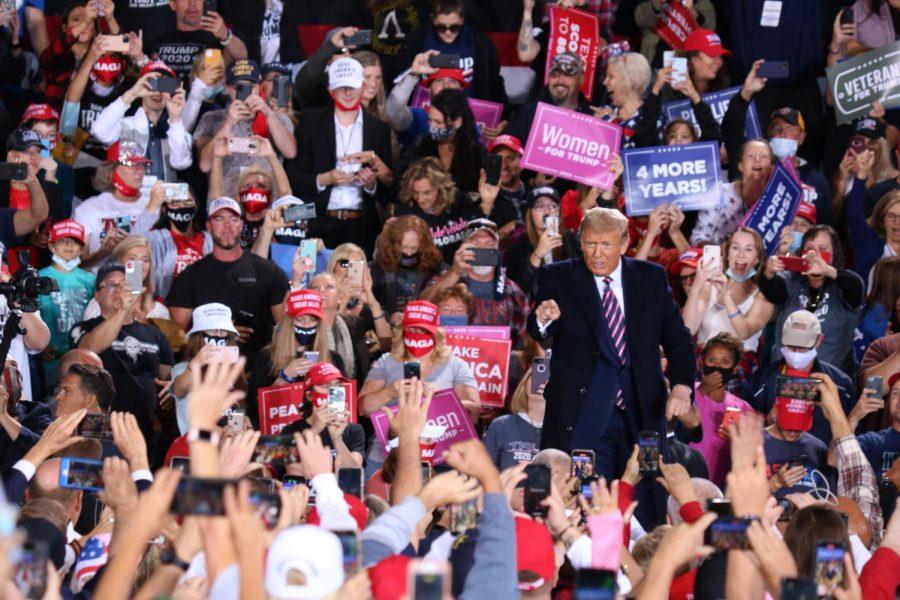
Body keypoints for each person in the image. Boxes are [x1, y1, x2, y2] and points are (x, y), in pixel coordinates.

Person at [527, 207, 696, 483]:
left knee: (643, 500)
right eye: (590, 244)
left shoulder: (651, 278)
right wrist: (543, 319)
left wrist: (681, 386)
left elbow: (679, 340)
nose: (597, 253)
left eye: (606, 244)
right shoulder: (557, 277)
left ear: (624, 244)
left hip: (642, 417)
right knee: (584, 498)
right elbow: (538, 329)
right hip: (582, 417)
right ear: (580, 242)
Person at [283, 56, 393, 255]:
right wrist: (323, 179)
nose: (348, 93)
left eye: (352, 87)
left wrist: (370, 184)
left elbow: (390, 189)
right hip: (314, 224)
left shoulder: (380, 129)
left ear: (362, 86)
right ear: (330, 90)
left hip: (361, 228)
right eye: (341, 88)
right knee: (308, 277)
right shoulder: (309, 122)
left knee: (356, 283)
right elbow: (292, 176)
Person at [359, 300, 479, 472]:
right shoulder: (386, 362)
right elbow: (363, 409)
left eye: (424, 330)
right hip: (388, 456)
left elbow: (474, 412)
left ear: (437, 333)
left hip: (441, 456)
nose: (417, 334)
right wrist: (389, 392)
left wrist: (440, 397)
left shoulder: (455, 365)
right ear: (402, 331)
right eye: (412, 329)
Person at [166, 197, 289, 359]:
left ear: (241, 225)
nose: (227, 225)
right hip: (208, 371)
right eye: (219, 219)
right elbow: (176, 341)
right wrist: (220, 334)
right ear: (208, 226)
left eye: (233, 219)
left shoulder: (268, 271)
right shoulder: (190, 277)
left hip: (259, 369)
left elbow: (286, 331)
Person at [69, 262, 173, 441]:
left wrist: (172, 386)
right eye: (111, 285)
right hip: (98, 427)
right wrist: (123, 310)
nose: (119, 290)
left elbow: (166, 377)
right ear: (97, 296)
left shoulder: (155, 334)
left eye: (125, 285)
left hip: (143, 428)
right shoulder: (85, 328)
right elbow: (88, 350)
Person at [761, 225, 865, 376]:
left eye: (822, 249)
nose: (814, 255)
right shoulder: (791, 281)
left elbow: (855, 288)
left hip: (830, 382)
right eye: (809, 248)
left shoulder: (846, 283)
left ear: (834, 254)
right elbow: (772, 290)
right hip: (785, 378)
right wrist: (768, 273)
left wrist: (827, 270)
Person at [742, 310, 854, 446]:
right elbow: (745, 424)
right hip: (774, 457)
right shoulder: (762, 379)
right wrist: (766, 423)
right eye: (791, 347)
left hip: (820, 460)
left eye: (802, 348)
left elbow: (852, 432)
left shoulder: (840, 383)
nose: (795, 353)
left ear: (819, 340)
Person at [194, 59, 297, 191]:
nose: (246, 93)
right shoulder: (211, 118)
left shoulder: (278, 118)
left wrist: (268, 113)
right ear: (227, 89)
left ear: (259, 86)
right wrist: (228, 123)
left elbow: (290, 152)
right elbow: (204, 165)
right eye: (238, 87)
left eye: (251, 86)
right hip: (226, 206)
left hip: (267, 204)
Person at [420, 218, 528, 342]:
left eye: (489, 244)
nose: (482, 249)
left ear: (498, 250)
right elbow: (421, 310)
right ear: (463, 247)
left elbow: (521, 343)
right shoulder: (446, 278)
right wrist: (455, 272)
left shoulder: (513, 292)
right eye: (475, 244)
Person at [90, 60, 191, 183]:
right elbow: (98, 131)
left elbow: (181, 164)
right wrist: (132, 94)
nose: (157, 92)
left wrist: (175, 120)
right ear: (140, 85)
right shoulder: (126, 125)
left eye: (164, 85)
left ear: (172, 91)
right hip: (127, 199)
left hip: (164, 199)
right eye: (152, 84)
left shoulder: (177, 129)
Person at [247, 289, 337, 423]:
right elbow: (257, 408)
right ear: (289, 322)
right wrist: (285, 376)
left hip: (320, 435)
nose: (306, 325)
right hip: (281, 435)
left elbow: (340, 405)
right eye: (300, 319)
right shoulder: (267, 357)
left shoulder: (332, 359)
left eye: (313, 320)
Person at [73, 140, 165, 268]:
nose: (138, 170)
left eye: (141, 164)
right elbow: (78, 263)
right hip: (101, 282)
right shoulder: (89, 208)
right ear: (111, 169)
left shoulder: (155, 203)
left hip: (141, 282)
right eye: (130, 164)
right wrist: (103, 252)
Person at [682, 228, 773, 353]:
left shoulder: (764, 294)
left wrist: (726, 296)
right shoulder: (709, 287)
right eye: (735, 248)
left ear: (757, 258)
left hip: (741, 365)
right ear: (728, 254)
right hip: (703, 362)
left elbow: (744, 332)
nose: (741, 254)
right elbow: (688, 328)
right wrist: (697, 285)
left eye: (748, 249)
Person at [403, 0, 506, 105]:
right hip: (426, 111)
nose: (448, 33)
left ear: (462, 19)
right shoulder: (416, 42)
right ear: (433, 19)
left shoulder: (480, 43)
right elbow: (403, 81)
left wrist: (504, 116)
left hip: (470, 112)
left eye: (454, 27)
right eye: (441, 27)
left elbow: (494, 83)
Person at [690, 333, 757, 488]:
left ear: (735, 369)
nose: (717, 366)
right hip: (685, 482)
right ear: (702, 363)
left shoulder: (743, 408)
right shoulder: (686, 393)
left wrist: (738, 440)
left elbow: (752, 456)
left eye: (725, 362)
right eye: (712, 360)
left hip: (719, 488)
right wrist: (701, 391)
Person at [37, 220, 95, 389]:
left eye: (75, 242)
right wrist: (42, 346)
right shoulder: (39, 277)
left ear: (82, 248)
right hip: (50, 357)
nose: (69, 246)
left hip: (82, 355)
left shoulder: (90, 279)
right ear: (51, 245)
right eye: (63, 241)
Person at [170, 302, 241, 434]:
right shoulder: (183, 368)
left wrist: (238, 429)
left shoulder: (229, 370)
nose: (219, 335)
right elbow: (179, 390)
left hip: (225, 448)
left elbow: (235, 410)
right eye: (212, 330)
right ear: (199, 336)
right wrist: (196, 363)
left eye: (223, 330)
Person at [280, 361, 365, 469]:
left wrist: (337, 438)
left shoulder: (353, 430)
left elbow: (354, 478)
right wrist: (316, 429)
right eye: (326, 386)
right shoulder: (290, 431)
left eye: (338, 385)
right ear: (310, 395)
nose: (334, 391)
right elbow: (292, 471)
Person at [690, 139, 774, 245]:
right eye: (751, 156)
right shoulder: (718, 193)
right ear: (740, 166)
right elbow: (698, 238)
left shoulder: (776, 198)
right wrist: (721, 251)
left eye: (764, 156)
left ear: (771, 167)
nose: (757, 160)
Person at [394, 156, 476, 264]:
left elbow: (477, 234)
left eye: (426, 193)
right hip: (427, 273)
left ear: (440, 188)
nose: (420, 199)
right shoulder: (406, 213)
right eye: (416, 192)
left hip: (465, 267)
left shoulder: (460, 201)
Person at [504, 187, 580, 299]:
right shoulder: (517, 243)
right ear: (530, 213)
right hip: (534, 310)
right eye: (540, 206)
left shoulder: (570, 239)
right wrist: (538, 254)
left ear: (559, 212)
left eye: (553, 206)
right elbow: (517, 291)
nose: (547, 211)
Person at [405, 87, 484, 194]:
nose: (432, 126)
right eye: (430, 120)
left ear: (457, 122)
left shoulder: (476, 154)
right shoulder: (421, 146)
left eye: (438, 122)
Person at [385, 50, 469, 147]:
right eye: (439, 80)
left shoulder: (470, 126)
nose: (446, 86)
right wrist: (413, 74)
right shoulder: (419, 117)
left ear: (461, 90)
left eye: (452, 81)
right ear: (429, 89)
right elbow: (392, 113)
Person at [370, 215, 444, 323]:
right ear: (394, 244)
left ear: (422, 245)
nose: (409, 253)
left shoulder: (433, 265)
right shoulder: (376, 268)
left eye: (414, 248)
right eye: (404, 247)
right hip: (384, 329)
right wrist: (388, 316)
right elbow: (365, 305)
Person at [506, 52, 593, 145]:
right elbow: (505, 153)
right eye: (555, 74)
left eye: (567, 75)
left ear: (581, 79)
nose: (560, 80)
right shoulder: (529, 113)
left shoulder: (592, 119)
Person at [148, 0, 247, 81]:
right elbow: (146, 77)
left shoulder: (218, 41)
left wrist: (225, 34)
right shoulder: (156, 43)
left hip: (205, 103)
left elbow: (242, 58)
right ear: (173, 4)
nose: (192, 3)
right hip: (164, 101)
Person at [144, 186, 212, 301]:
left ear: (195, 206)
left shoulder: (209, 240)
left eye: (186, 201)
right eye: (175, 202)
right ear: (165, 209)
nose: (182, 206)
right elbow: (130, 247)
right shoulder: (154, 239)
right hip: (164, 309)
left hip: (203, 306)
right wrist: (152, 205)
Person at [483, 368, 543, 471]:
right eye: (537, 376)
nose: (540, 382)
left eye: (548, 379)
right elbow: (483, 472)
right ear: (525, 384)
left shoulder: (565, 432)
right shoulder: (501, 425)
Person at [597, 51, 653, 149]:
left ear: (631, 81)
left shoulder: (651, 117)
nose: (605, 82)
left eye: (611, 76)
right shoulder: (603, 112)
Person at [856, 372, 900, 480]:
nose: (899, 399)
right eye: (895, 393)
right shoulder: (872, 442)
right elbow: (833, 459)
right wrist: (855, 416)